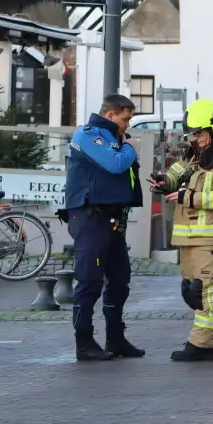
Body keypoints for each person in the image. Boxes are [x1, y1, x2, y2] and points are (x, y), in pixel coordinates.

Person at [150, 99, 213, 362]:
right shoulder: (194, 156)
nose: (197, 139)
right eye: (194, 134)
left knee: (204, 291)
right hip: (189, 237)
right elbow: (175, 175)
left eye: (200, 133)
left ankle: (202, 345)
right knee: (192, 291)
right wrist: (162, 180)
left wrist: (186, 197)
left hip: (210, 238)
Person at [62, 94, 144, 362]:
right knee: (89, 281)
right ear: (110, 115)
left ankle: (115, 338)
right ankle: (83, 341)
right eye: (125, 118)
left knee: (120, 280)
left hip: (111, 218)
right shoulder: (89, 135)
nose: (127, 124)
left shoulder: (114, 137)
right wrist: (131, 147)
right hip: (91, 216)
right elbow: (116, 163)